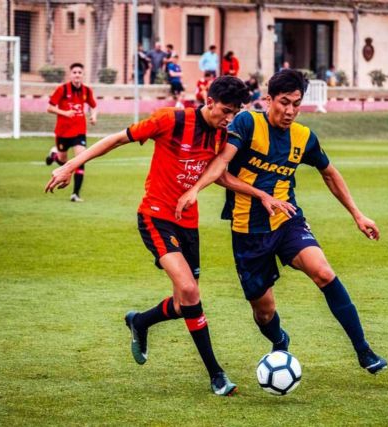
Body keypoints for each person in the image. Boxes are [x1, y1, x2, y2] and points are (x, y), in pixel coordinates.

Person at [45, 77, 289, 396]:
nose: (230, 118)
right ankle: (216, 374)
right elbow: (118, 138)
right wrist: (71, 165)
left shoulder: (219, 136)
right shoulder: (170, 119)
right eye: (226, 111)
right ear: (209, 100)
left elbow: (221, 176)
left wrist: (260, 195)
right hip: (156, 216)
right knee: (190, 290)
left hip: (188, 224)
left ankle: (141, 322)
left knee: (183, 301)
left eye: (235, 112)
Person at [175, 69, 388, 375]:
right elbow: (220, 168)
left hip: (287, 221)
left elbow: (329, 173)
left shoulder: (303, 136)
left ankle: (364, 351)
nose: (289, 111)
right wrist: (204, 189)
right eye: (284, 102)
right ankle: (279, 339)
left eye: (296, 104)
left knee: (324, 273)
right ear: (269, 99)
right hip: (248, 230)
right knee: (264, 312)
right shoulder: (247, 123)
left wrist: (358, 214)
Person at [45, 62, 97, 202]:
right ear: (71, 74)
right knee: (63, 160)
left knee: (80, 159)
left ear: (82, 75)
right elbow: (50, 108)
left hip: (79, 131)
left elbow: (93, 106)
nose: (77, 75)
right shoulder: (62, 89)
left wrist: (93, 116)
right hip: (63, 132)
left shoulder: (86, 91)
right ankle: (54, 155)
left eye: (79, 72)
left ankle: (75, 194)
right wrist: (65, 113)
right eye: (74, 72)